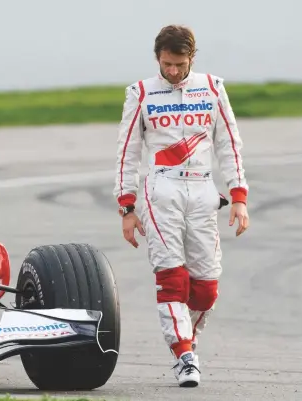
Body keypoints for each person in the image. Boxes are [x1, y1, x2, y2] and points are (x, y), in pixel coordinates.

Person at [113, 24, 249, 388]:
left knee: (206, 288)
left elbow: (229, 144)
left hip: (204, 191)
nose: (172, 71)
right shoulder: (140, 92)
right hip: (161, 191)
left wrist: (238, 196)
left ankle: (186, 338)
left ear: (192, 58)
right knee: (171, 277)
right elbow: (128, 152)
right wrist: (127, 207)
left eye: (179, 64)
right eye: (166, 63)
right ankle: (184, 353)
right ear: (157, 57)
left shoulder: (213, 88)